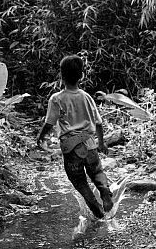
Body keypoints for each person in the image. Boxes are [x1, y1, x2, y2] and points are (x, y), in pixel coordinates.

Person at [36, 54, 113, 219]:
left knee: (79, 181)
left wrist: (41, 137)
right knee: (97, 172)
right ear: (82, 76)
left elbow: (49, 123)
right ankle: (104, 191)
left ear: (61, 76)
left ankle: (96, 208)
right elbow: (98, 123)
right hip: (90, 144)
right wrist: (101, 143)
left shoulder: (57, 99)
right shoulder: (87, 97)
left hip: (71, 149)